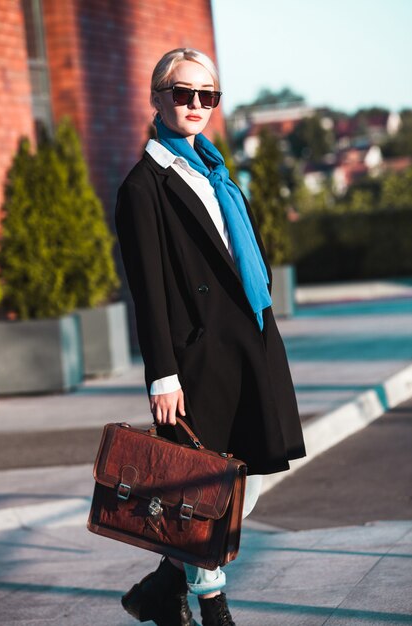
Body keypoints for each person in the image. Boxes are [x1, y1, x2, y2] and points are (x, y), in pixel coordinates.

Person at [115, 47, 306, 626]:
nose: (196, 105)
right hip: (196, 358)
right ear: (158, 97)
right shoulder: (144, 186)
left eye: (208, 95)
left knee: (232, 478)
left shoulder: (216, 170)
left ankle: (160, 590)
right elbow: (148, 292)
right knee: (202, 487)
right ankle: (212, 604)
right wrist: (162, 372)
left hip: (245, 343)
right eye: (183, 93)